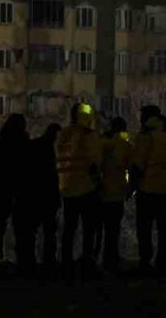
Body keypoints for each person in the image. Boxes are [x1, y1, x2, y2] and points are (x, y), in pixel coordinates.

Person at [131, 108, 166, 275]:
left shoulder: (145, 137)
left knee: (145, 228)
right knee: (165, 228)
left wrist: (132, 187)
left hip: (147, 190)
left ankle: (146, 261)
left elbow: (138, 164)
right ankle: (162, 262)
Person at [56, 102, 103, 276]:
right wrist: (99, 183)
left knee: (69, 228)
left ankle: (66, 262)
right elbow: (95, 163)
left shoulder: (63, 135)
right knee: (89, 228)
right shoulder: (89, 135)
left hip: (67, 187)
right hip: (86, 187)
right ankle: (86, 263)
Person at [0, 113, 30, 270]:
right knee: (22, 229)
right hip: (21, 191)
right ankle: (22, 261)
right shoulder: (26, 146)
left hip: (1, 190)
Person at [19, 123, 62, 276]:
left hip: (33, 195)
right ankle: (48, 264)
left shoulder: (34, 146)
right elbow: (53, 176)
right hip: (47, 196)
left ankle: (29, 264)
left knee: (32, 232)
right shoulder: (53, 150)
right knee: (49, 232)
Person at [97, 117, 133, 272]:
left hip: (98, 192)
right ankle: (111, 259)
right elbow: (132, 169)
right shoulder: (124, 146)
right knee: (113, 229)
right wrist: (130, 189)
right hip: (116, 193)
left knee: (98, 230)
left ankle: (95, 258)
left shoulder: (100, 142)